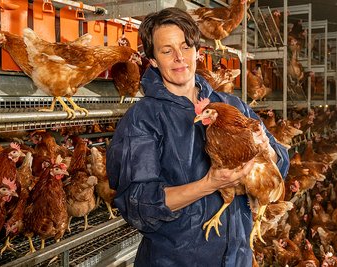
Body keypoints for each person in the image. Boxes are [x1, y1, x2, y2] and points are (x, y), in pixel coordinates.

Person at [106, 7, 289, 267]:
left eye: (185, 47)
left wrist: (267, 149)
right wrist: (209, 184)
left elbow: (281, 163)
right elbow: (138, 206)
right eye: (167, 50)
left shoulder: (231, 104)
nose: (179, 58)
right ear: (154, 61)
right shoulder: (143, 119)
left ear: (197, 51)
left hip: (236, 258)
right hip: (176, 259)